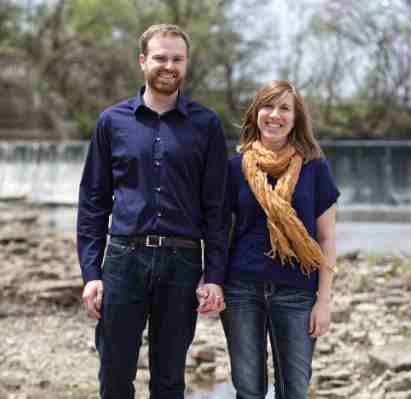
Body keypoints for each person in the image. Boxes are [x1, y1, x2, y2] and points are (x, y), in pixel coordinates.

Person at [77, 24, 227, 399]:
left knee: (169, 379)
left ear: (186, 64)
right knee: (114, 375)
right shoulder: (112, 122)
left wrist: (214, 275)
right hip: (124, 259)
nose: (168, 66)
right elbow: (94, 202)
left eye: (177, 59)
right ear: (143, 61)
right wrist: (91, 273)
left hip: (182, 261)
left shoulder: (206, 125)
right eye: (160, 57)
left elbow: (217, 208)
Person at [220, 80, 340, 399]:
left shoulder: (315, 169)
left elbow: (327, 240)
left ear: (296, 118)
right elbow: (219, 233)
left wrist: (324, 301)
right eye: (267, 106)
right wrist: (212, 282)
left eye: (284, 108)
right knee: (248, 389)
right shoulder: (233, 169)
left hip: (298, 291)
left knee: (295, 390)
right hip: (241, 290)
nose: (275, 115)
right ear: (255, 114)